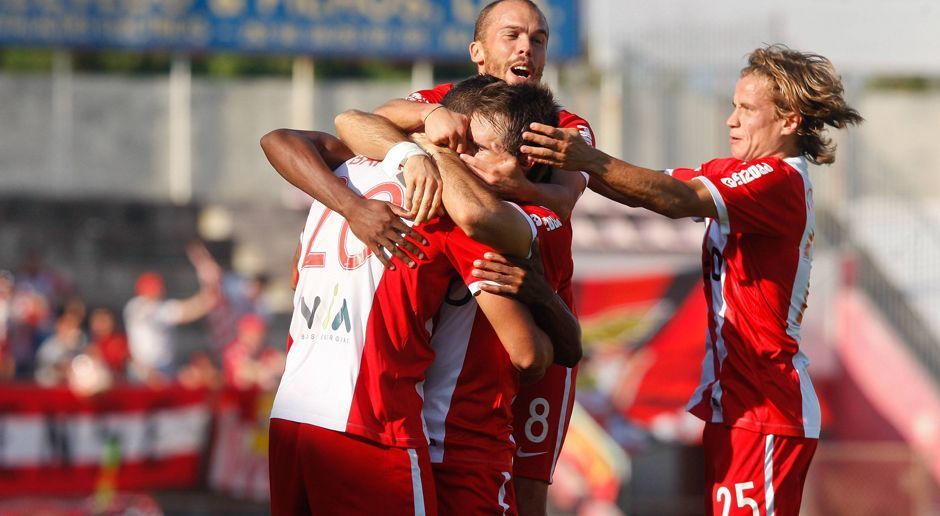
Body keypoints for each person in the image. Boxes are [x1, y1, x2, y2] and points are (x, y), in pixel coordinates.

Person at [519, 44, 863, 515]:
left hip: (765, 409)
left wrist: (584, 158)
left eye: (746, 109)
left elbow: (676, 199)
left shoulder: (777, 180)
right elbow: (647, 191)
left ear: (789, 121)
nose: (730, 120)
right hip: (735, 406)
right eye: (732, 105)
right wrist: (561, 154)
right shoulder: (739, 174)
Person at [261, 78, 564, 515]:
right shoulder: (453, 206)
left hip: (293, 414)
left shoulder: (351, 168)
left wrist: (402, 154)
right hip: (375, 423)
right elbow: (528, 355)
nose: (465, 155)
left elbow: (282, 141)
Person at [369, 3, 595, 512]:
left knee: (528, 479)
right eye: (512, 35)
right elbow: (370, 121)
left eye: (538, 39)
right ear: (477, 51)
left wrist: (507, 183)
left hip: (534, 295)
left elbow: (564, 198)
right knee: (438, 453)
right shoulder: (443, 103)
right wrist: (430, 120)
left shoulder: (564, 124)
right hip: (460, 300)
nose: (526, 48)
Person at [123, 242, 220, 385]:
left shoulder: (156, 306)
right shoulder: (138, 306)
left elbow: (184, 310)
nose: (158, 292)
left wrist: (209, 297)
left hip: (164, 368)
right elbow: (185, 312)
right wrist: (206, 299)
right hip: (145, 369)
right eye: (154, 289)